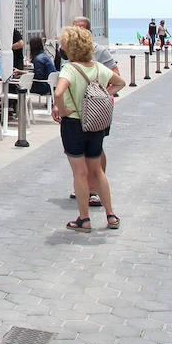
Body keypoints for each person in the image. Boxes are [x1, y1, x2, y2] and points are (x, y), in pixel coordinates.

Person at [52, 25, 126, 232]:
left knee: (80, 172)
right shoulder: (97, 67)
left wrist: (62, 109)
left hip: (74, 123)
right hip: (95, 123)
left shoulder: (69, 68)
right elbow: (120, 82)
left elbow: (59, 93)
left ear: (70, 47)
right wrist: (103, 93)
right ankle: (111, 214)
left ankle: (84, 219)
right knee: (97, 170)